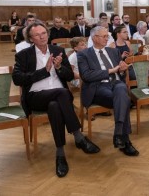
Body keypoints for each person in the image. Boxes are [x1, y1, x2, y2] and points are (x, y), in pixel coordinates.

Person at [13, 21, 99, 178]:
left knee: (55, 105)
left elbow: (68, 76)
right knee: (62, 93)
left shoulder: (58, 51)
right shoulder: (23, 55)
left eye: (44, 33)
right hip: (35, 96)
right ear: (31, 39)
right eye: (37, 35)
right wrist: (44, 71)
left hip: (58, 97)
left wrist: (59, 67)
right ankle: (78, 137)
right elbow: (17, 79)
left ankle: (60, 154)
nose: (42, 37)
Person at [78, 26, 139, 156]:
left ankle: (119, 134)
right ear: (95, 38)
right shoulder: (84, 54)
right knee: (124, 99)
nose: (107, 38)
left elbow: (121, 75)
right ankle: (124, 139)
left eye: (107, 36)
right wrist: (111, 71)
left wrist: (122, 70)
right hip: (97, 88)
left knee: (121, 89)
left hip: (116, 85)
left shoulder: (113, 52)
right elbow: (87, 76)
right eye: (104, 36)